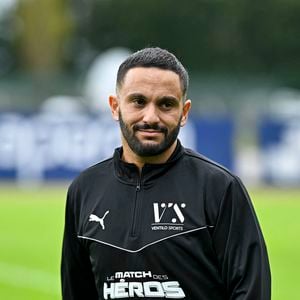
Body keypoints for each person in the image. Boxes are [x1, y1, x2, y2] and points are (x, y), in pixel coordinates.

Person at [61, 47, 271, 300]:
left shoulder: (219, 188)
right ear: (115, 106)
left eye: (166, 104)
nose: (151, 117)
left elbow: (251, 292)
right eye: (138, 101)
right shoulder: (84, 190)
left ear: (184, 112)